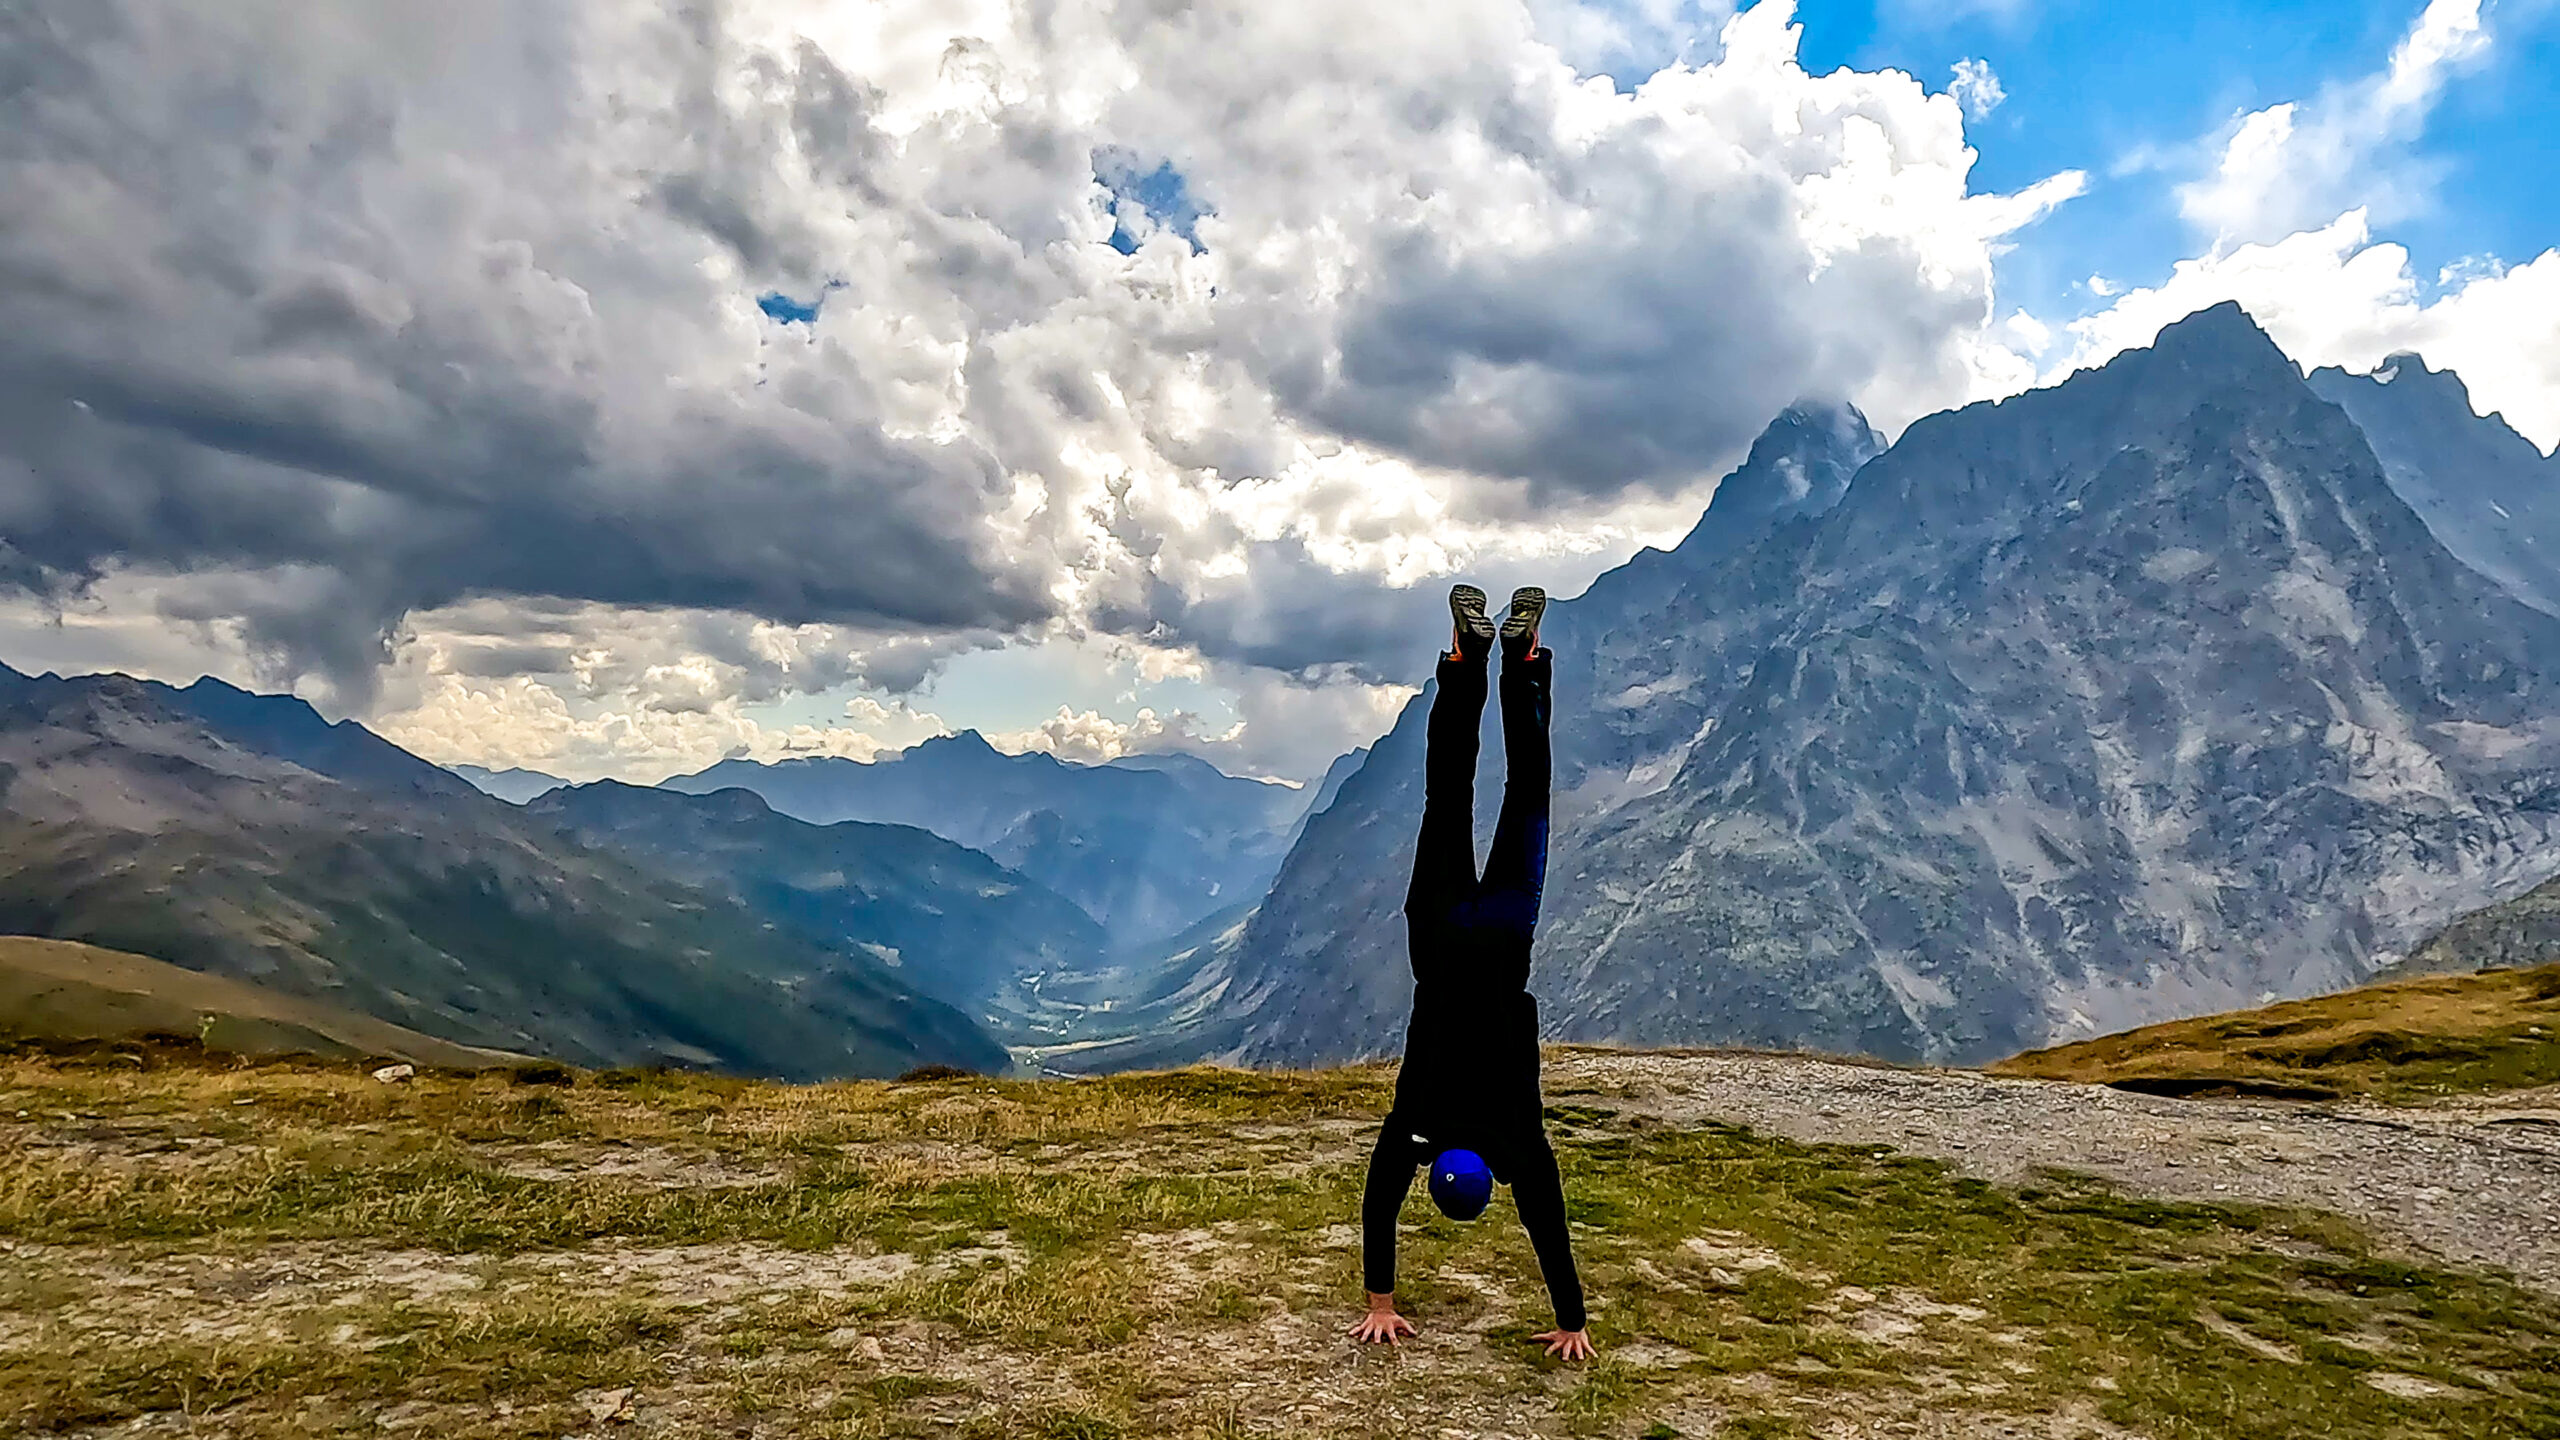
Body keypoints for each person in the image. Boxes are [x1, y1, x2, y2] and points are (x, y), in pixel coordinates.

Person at [1349, 583, 1593, 1362]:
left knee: (1526, 796)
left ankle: (1519, 659)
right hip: (1441, 924)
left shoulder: (1519, 1144)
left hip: (1507, 928)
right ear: (1437, 1171)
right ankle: (1468, 656)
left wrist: (1573, 1320)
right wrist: (1378, 1299)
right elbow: (1378, 1203)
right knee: (1447, 796)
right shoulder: (1417, 1125)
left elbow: (1547, 1225)